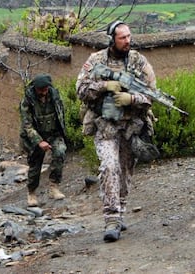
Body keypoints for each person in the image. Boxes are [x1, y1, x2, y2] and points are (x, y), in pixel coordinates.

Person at [76, 21, 157, 242]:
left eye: (129, 36)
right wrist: (104, 86)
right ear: (112, 39)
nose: (127, 41)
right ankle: (111, 219)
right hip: (106, 126)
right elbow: (80, 89)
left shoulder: (139, 61)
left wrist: (132, 98)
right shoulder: (96, 61)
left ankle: (119, 212)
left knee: (125, 173)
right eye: (122, 38)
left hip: (132, 127)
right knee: (109, 167)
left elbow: (152, 94)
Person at [19, 73, 68, 207]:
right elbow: (27, 125)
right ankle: (32, 193)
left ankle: (54, 187)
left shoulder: (54, 96)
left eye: (46, 89)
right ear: (35, 88)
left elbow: (61, 114)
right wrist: (39, 141)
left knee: (60, 152)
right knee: (35, 164)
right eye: (41, 89)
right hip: (35, 137)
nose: (44, 92)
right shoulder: (27, 101)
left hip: (53, 133)